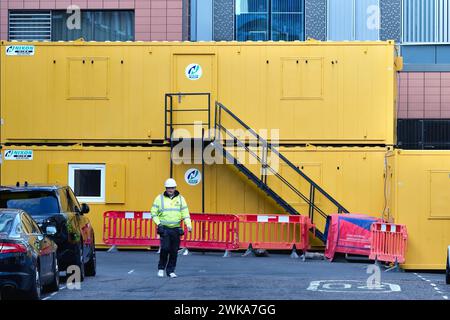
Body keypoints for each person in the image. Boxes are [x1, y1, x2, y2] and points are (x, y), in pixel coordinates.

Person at [151, 178, 192, 278]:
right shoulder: (159, 198)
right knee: (165, 249)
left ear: (175, 188)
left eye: (172, 188)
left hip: (175, 229)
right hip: (164, 228)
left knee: (174, 251)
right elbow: (153, 213)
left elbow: (185, 213)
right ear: (166, 188)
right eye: (169, 188)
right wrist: (159, 224)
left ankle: (170, 271)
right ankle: (161, 268)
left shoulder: (181, 199)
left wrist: (188, 224)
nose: (170, 190)